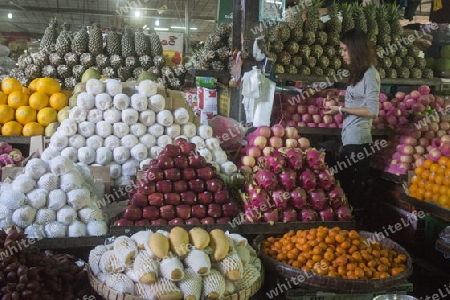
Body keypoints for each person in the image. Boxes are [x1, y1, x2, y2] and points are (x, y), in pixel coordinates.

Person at [324, 28, 380, 214]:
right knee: (345, 191)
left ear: (356, 50)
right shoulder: (358, 73)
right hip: (349, 140)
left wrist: (340, 109)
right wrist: (339, 101)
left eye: (344, 50)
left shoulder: (371, 74)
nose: (342, 54)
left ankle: (357, 231)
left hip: (359, 142)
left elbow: (372, 111)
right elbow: (358, 101)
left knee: (354, 195)